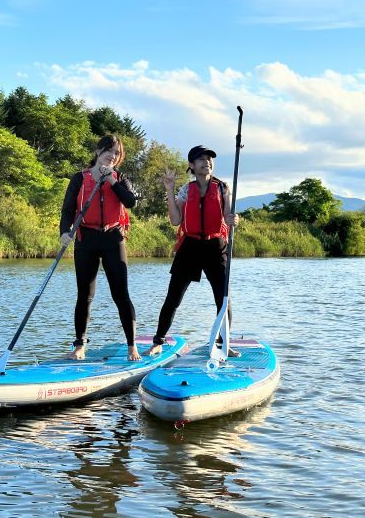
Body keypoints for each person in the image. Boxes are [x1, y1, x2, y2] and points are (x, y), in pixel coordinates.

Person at [145, 145, 240, 357]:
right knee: (173, 298)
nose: (206, 162)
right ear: (192, 165)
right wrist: (169, 190)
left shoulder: (223, 188)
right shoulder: (186, 190)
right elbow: (175, 220)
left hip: (216, 246)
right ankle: (158, 341)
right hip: (190, 247)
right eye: (201, 159)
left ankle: (222, 343)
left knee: (223, 299)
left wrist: (234, 219)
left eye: (209, 159)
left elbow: (227, 217)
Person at [59, 135, 140, 361]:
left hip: (113, 238)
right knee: (85, 295)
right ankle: (79, 346)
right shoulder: (78, 179)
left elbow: (131, 202)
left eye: (117, 153)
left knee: (121, 295)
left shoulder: (120, 178)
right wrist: (65, 232)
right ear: (98, 151)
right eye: (109, 151)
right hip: (87, 239)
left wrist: (111, 181)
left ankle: (132, 346)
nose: (112, 156)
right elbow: (67, 210)